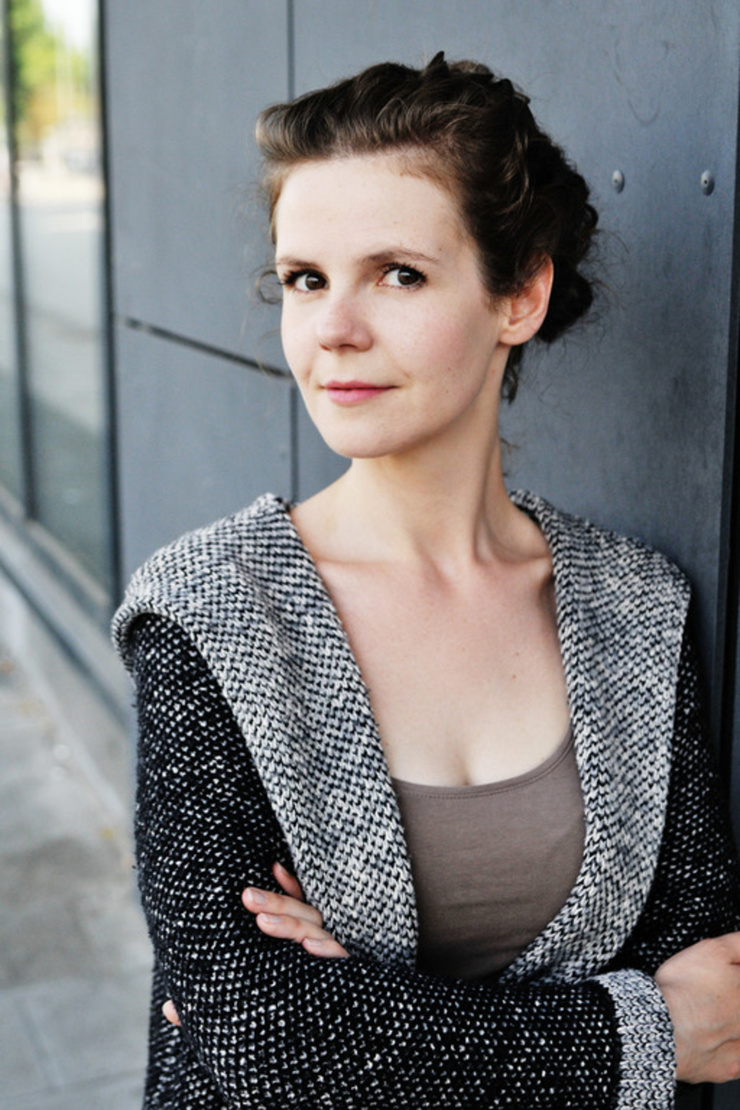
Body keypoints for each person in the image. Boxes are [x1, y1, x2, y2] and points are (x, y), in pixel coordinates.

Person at [113, 53, 740, 1108]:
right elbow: (261, 1032)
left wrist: (369, 1016)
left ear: (519, 294)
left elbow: (711, 981)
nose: (333, 329)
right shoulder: (209, 608)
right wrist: (634, 1029)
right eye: (305, 279)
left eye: (397, 274)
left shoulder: (634, 606)